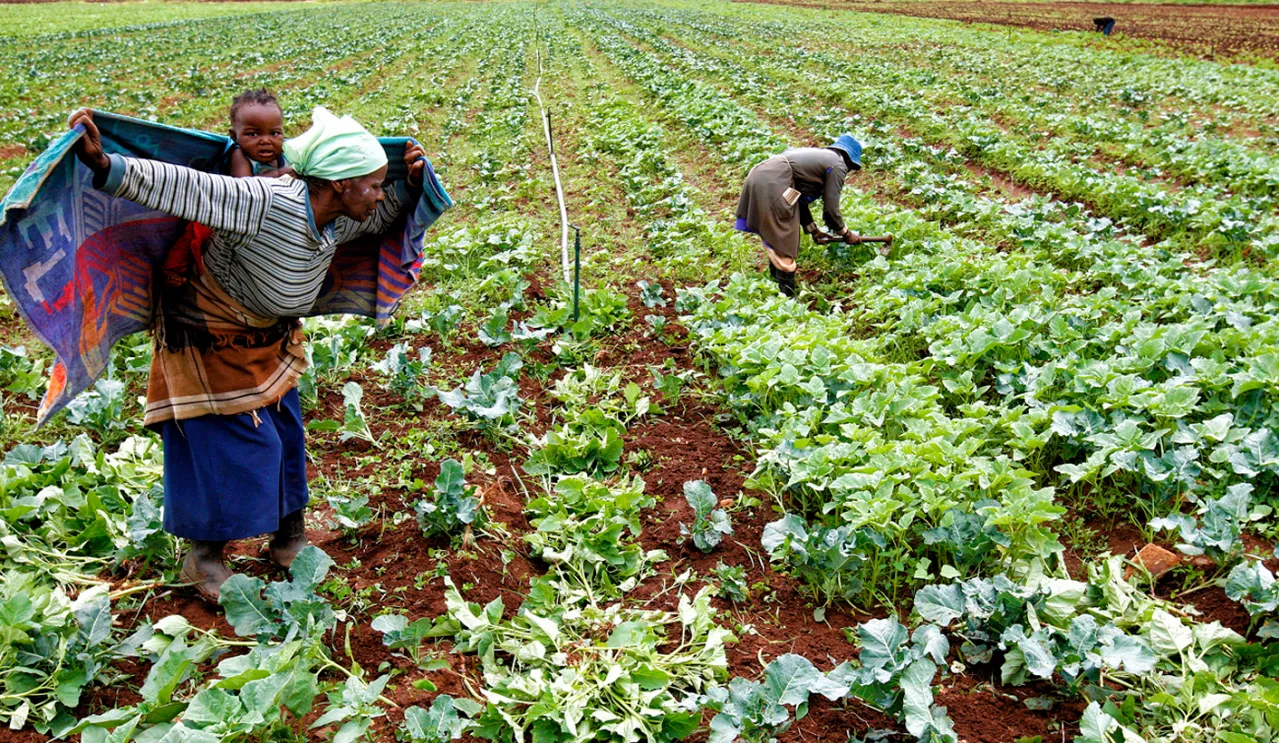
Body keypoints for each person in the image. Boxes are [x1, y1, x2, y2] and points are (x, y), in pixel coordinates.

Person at [67, 106, 428, 600]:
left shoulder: (339, 216)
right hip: (206, 334)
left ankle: (288, 539)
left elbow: (382, 215)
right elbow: (188, 188)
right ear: (340, 184)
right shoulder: (264, 202)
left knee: (285, 435)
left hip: (267, 336)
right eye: (374, 183)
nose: (380, 193)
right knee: (231, 448)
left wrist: (412, 182)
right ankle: (203, 558)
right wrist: (106, 166)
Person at [162, 89, 293, 286]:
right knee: (197, 230)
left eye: (274, 133)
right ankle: (174, 267)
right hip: (222, 207)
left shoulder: (282, 156)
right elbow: (246, 187)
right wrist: (278, 175)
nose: (265, 140)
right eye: (253, 134)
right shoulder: (238, 154)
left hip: (262, 213)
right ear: (234, 136)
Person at [735, 134, 863, 297]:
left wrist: (813, 230)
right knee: (783, 234)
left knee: (780, 233)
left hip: (766, 176)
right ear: (850, 161)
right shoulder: (837, 165)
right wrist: (846, 233)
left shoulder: (820, 160)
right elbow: (831, 209)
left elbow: (797, 200)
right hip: (774, 182)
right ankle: (787, 299)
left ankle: (776, 284)